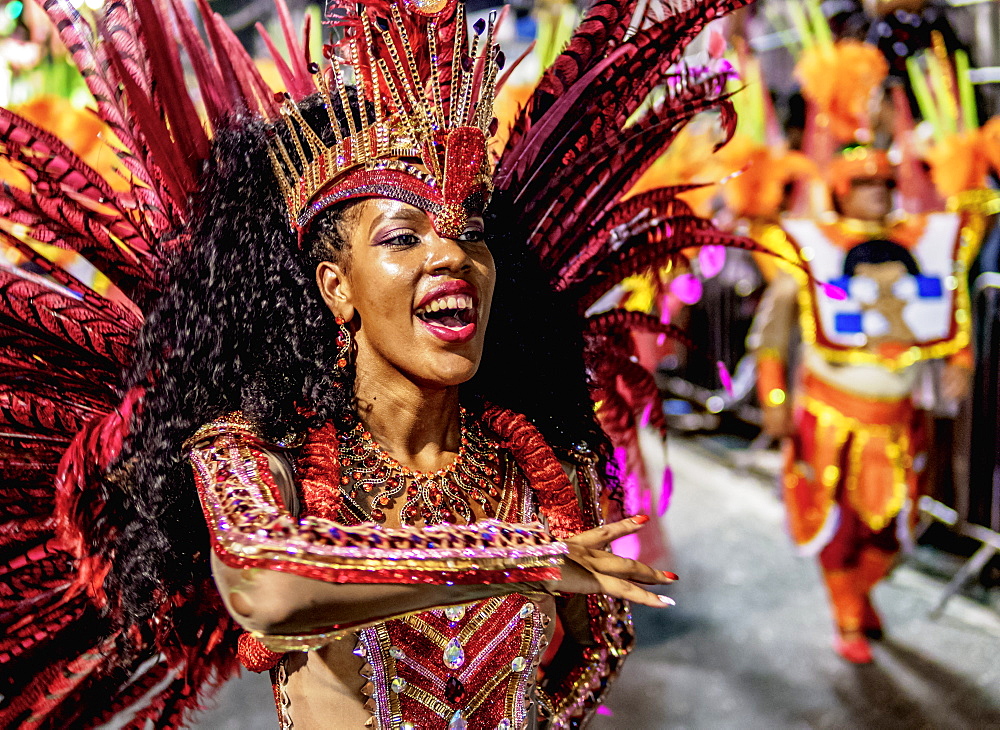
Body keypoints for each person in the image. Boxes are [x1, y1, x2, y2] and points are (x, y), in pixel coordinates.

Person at [0, 0, 753, 726]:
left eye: (471, 231)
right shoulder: (254, 457)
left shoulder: (547, 466)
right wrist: (518, 560)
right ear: (336, 288)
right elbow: (268, 583)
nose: (452, 255)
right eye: (403, 238)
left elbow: (603, 638)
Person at [750, 145, 978, 663]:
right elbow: (771, 334)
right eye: (865, 183)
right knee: (838, 524)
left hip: (902, 418)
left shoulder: (919, 242)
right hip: (832, 416)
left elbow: (948, 305)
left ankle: (861, 590)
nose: (879, 191)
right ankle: (847, 614)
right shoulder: (810, 249)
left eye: (886, 183)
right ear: (841, 191)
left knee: (896, 525)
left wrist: (961, 362)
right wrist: (774, 397)